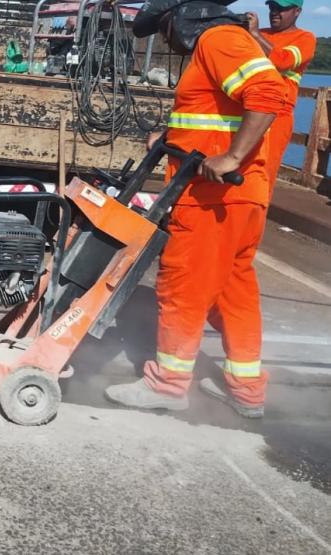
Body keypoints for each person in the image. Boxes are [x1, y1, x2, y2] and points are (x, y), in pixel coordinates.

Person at [104, 0, 288, 418]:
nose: (166, 38)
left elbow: (267, 92)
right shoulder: (225, 43)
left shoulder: (219, 39)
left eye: (165, 28)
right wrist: (170, 135)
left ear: (184, 16)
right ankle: (246, 389)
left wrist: (232, 157)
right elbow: (213, 114)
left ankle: (167, 386)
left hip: (213, 198)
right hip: (241, 199)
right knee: (231, 295)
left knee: (183, 287)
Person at [246, 0, 315, 187]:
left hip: (278, 116)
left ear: (297, 11)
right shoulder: (260, 33)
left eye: (282, 8)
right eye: (272, 7)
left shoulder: (305, 38)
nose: (275, 12)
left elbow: (284, 61)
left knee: (262, 175)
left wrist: (254, 35)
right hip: (246, 110)